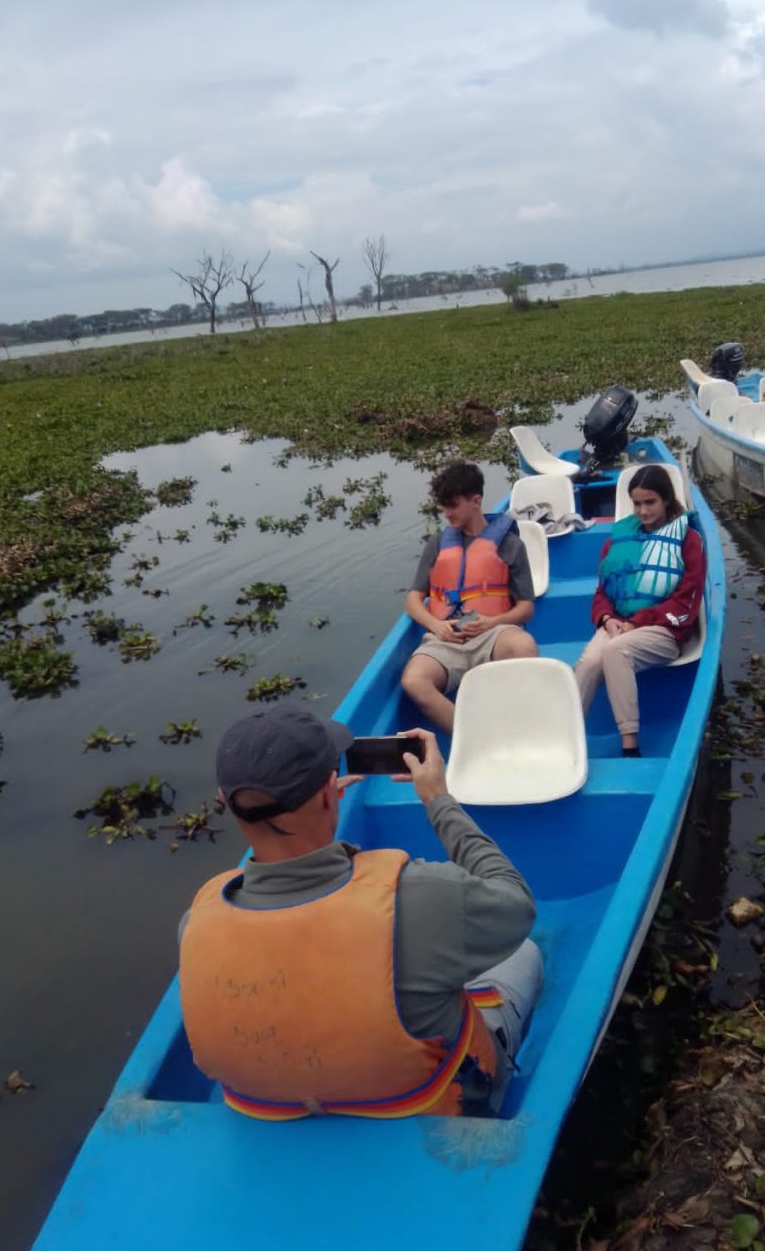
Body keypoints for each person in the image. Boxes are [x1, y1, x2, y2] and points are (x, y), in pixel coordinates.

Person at [179, 705, 543, 1119]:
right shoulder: (422, 895)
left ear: (226, 801)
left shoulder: (196, 923)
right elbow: (516, 903)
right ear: (328, 792)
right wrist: (439, 800)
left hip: (278, 1110)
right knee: (524, 953)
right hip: (424, 1110)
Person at [573, 464, 706, 756]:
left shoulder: (688, 541)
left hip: (664, 630)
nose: (643, 511)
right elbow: (603, 590)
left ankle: (629, 744)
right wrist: (607, 619)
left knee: (616, 652)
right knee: (588, 662)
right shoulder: (618, 539)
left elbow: (686, 601)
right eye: (637, 504)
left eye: (650, 503)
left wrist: (638, 622)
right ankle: (568, 735)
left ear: (667, 500)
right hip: (619, 624)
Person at [401, 459, 537, 732]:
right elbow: (413, 601)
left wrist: (491, 622)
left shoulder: (510, 545)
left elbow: (526, 608)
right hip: (444, 638)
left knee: (525, 647)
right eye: (443, 506)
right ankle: (476, 736)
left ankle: (517, 724)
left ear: (475, 501)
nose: (446, 514)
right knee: (413, 682)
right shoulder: (437, 544)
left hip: (491, 634)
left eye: (453, 505)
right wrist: (437, 626)